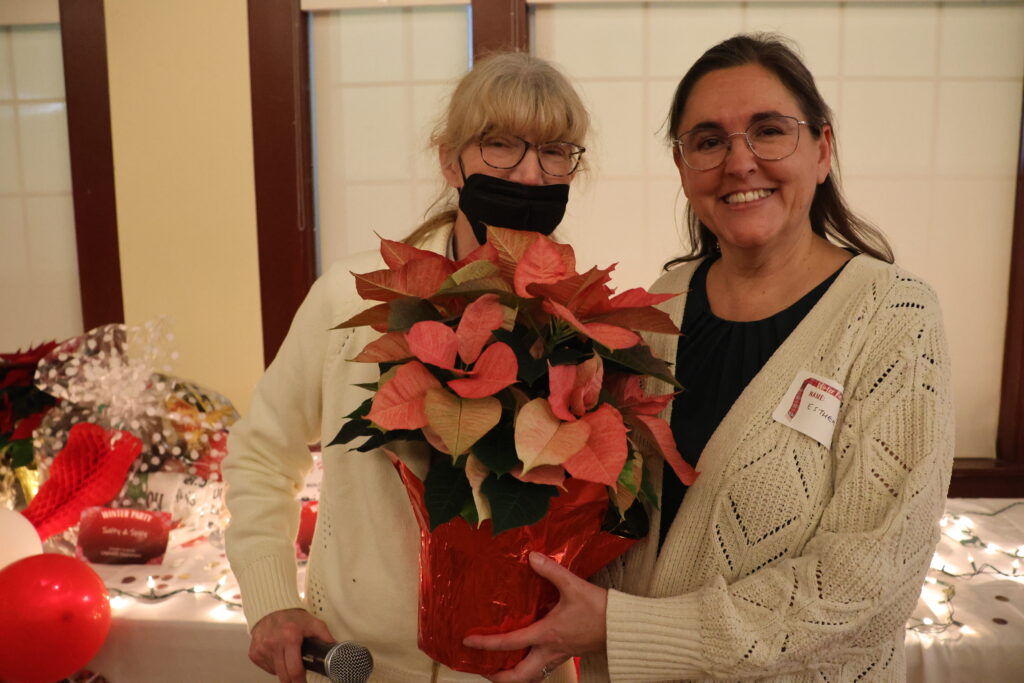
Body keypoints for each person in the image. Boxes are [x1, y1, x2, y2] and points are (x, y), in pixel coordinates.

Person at [465, 34, 954, 682]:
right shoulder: (660, 302)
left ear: (822, 149)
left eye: (769, 131)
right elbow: (615, 508)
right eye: (709, 140)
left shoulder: (894, 320)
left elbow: (864, 586)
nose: (739, 161)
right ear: (682, 164)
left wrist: (623, 626)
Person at [223, 51, 589, 683]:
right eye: (500, 145)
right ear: (450, 159)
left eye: (555, 151)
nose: (531, 176)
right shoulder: (354, 295)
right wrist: (271, 601)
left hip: (519, 667)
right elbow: (260, 456)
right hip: (360, 663)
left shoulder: (580, 323)